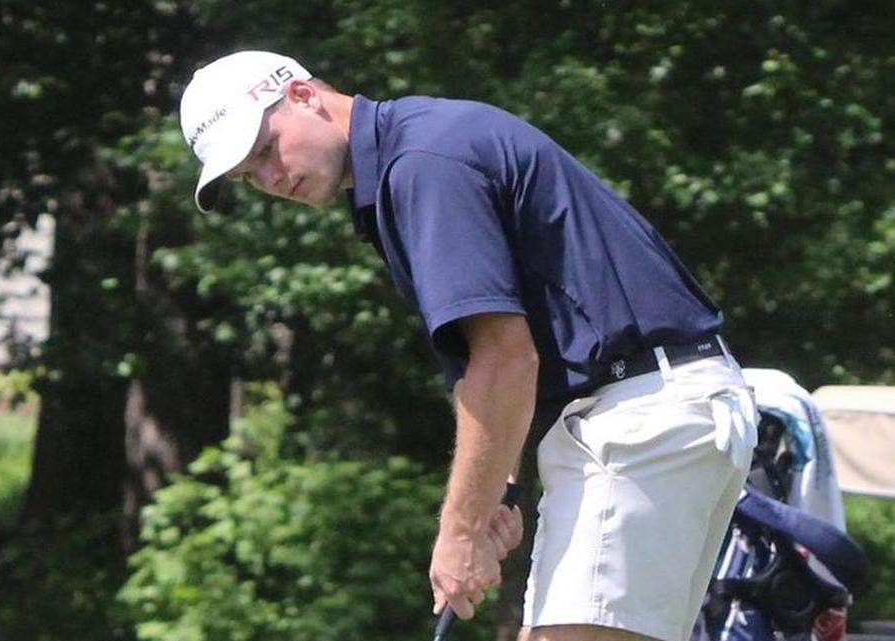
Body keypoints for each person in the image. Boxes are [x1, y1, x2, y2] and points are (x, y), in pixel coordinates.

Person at [178, 50, 759, 641]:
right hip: (663, 410)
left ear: (302, 95)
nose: (272, 179)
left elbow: (506, 359)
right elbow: (499, 363)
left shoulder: (422, 163)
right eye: (250, 176)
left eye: (266, 149)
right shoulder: (410, 158)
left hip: (641, 421)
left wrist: (459, 531)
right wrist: (497, 494)